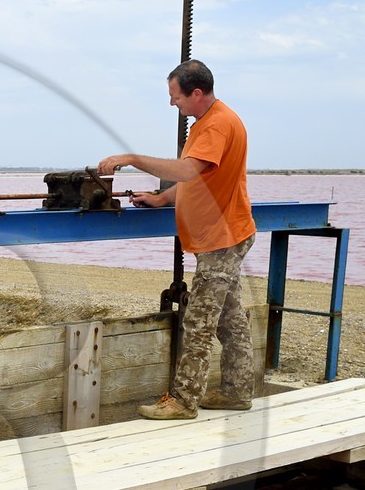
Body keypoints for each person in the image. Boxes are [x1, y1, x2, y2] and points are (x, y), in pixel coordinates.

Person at [96, 59, 257, 420]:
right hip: (224, 234)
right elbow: (196, 180)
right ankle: (236, 392)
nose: (173, 104)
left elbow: (186, 170)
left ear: (196, 93)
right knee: (229, 320)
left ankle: (184, 401)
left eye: (176, 97)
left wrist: (131, 158)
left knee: (199, 322)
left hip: (222, 238)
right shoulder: (206, 124)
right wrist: (163, 199)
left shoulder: (217, 124)